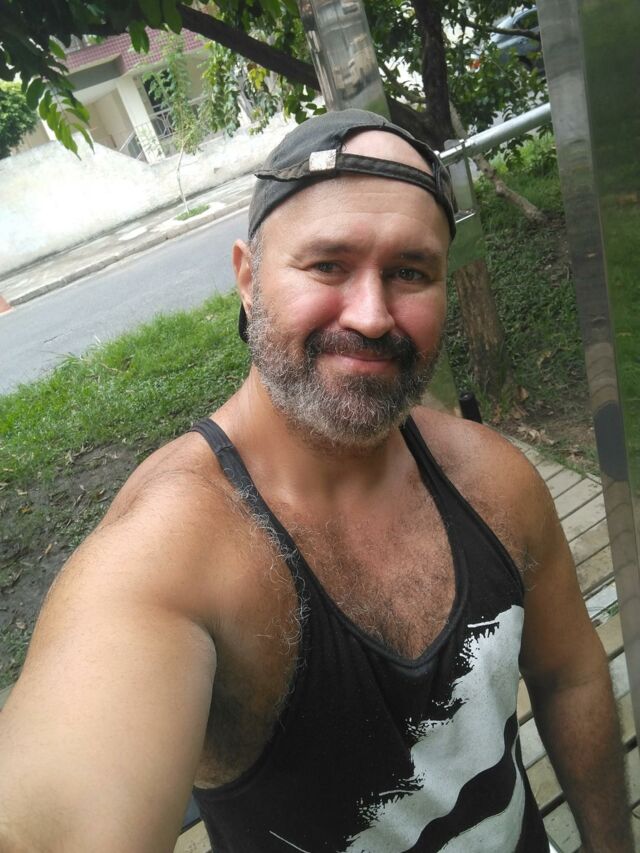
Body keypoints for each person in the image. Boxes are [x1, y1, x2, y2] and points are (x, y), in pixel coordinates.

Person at [0, 109, 631, 853]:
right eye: (328, 265)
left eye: (410, 272)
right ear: (248, 279)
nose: (371, 316)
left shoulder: (493, 478)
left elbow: (569, 675)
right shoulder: (168, 557)